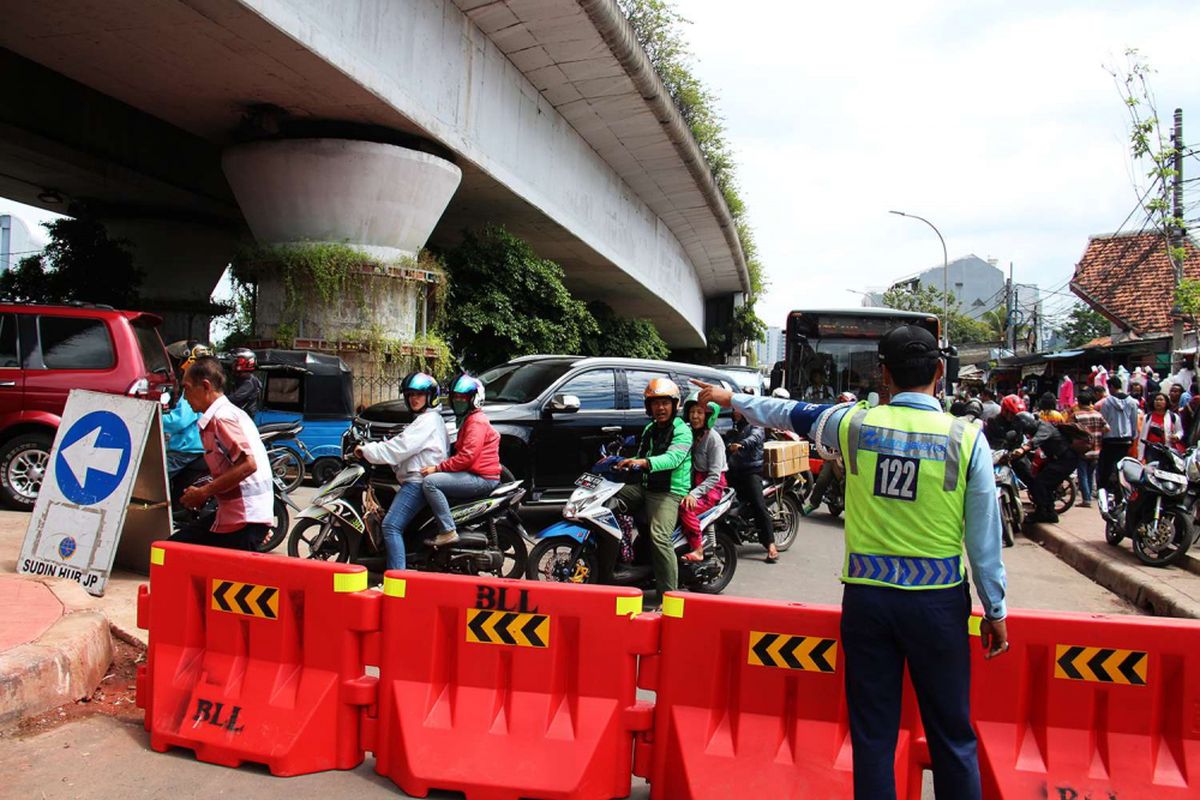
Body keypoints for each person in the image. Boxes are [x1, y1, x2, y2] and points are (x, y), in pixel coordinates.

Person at [694, 324, 1008, 800]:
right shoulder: (966, 439)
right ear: (940, 373)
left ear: (883, 375)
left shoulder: (854, 424)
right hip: (938, 605)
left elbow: (789, 413)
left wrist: (729, 398)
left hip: (869, 602)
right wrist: (996, 608)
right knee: (952, 736)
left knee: (873, 736)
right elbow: (984, 537)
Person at [169, 357, 274, 550]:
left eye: (188, 388)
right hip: (241, 516)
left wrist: (204, 492)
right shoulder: (227, 414)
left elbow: (248, 465)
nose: (185, 396)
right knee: (174, 548)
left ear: (206, 386)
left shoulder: (222, 418)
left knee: (172, 551)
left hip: (245, 519)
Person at [354, 372, 449, 570]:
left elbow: (399, 449)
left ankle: (397, 577)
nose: (414, 399)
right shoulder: (428, 419)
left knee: (390, 526)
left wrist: (367, 450)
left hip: (417, 482)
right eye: (410, 394)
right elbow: (401, 446)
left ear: (430, 396)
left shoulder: (427, 421)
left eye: (419, 394)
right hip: (416, 479)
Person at [608, 378, 692, 600]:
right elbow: (643, 456)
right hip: (645, 486)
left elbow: (673, 458)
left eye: (665, 403)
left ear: (674, 405)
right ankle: (619, 561)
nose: (660, 408)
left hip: (668, 492)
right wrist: (626, 461)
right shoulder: (650, 428)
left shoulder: (682, 431)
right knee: (606, 499)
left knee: (659, 537)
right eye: (655, 403)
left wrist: (643, 463)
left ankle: (669, 597)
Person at [419, 375, 501, 546]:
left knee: (430, 483)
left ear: (474, 399)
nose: (458, 401)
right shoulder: (468, 419)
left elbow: (466, 457)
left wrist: (437, 468)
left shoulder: (476, 422)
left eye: (463, 398)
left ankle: (448, 530)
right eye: (455, 397)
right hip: (476, 474)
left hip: (481, 478)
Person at [724, 408, 778, 562]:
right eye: (734, 409)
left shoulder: (755, 425)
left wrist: (741, 445)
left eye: (738, 409)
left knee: (759, 506)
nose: (735, 412)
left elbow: (755, 438)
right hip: (734, 470)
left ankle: (771, 545)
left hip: (752, 471)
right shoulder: (734, 427)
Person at [679, 392, 727, 563]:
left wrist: (694, 494)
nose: (694, 416)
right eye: (692, 412)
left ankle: (698, 549)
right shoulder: (691, 434)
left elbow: (714, 476)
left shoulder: (714, 440)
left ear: (707, 416)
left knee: (685, 508)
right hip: (694, 482)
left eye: (699, 412)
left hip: (711, 487)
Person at [163, 343, 211, 506]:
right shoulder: (207, 386)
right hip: (196, 446)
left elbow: (179, 421)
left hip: (185, 449)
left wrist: (152, 419)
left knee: (152, 479)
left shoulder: (192, 389)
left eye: (181, 361)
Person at [1011, 411, 1078, 524]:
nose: (1026, 433)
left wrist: (1023, 449)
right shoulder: (1040, 426)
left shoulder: (1044, 427)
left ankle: (1042, 512)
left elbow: (1037, 440)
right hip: (1058, 459)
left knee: (1039, 482)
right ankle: (1050, 513)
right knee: (1045, 484)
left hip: (1066, 459)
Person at [1097, 375, 1140, 493]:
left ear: (1111, 387)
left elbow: (1103, 420)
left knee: (1107, 464)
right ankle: (1121, 487)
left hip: (1109, 439)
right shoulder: (1132, 402)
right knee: (1122, 465)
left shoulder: (1107, 402)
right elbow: (1134, 420)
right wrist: (1133, 437)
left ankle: (1105, 488)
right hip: (1126, 439)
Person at [1068, 390, 1107, 508]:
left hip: (1082, 449)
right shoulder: (1098, 414)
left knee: (1083, 475)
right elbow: (1107, 428)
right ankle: (1088, 496)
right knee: (1090, 474)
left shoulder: (1076, 415)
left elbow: (1069, 430)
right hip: (1096, 449)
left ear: (1078, 403)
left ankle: (1086, 499)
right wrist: (1096, 433)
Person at [1138, 391, 1184, 461]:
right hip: (1151, 451)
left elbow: (1180, 431)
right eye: (1156, 400)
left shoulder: (1173, 417)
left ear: (1166, 402)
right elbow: (1142, 435)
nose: (1158, 402)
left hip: (1167, 450)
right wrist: (1140, 455)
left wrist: (1176, 436)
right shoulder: (1147, 417)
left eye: (1161, 400)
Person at [227, 348, 262, 418]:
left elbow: (234, 398)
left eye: (235, 362)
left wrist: (215, 400)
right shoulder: (239, 379)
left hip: (245, 420)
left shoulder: (250, 382)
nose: (232, 364)